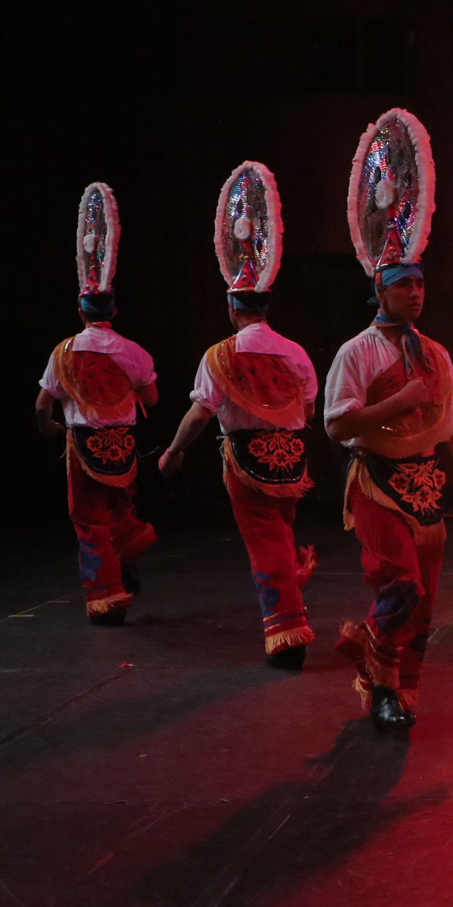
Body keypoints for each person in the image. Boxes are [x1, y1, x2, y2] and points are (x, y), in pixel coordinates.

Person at [328, 108, 453, 731]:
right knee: (402, 589)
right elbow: (338, 427)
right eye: (404, 287)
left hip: (426, 484)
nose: (416, 295)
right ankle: (380, 671)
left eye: (420, 286)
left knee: (425, 607)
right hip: (376, 483)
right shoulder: (356, 353)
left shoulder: (437, 354)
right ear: (382, 291)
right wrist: (395, 404)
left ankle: (397, 684)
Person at [158, 162, 320, 668]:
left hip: (248, 462)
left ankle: (289, 633)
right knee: (281, 535)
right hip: (292, 460)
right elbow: (309, 404)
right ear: (266, 305)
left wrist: (173, 451)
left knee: (267, 544)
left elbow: (200, 414)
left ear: (233, 308)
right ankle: (289, 609)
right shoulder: (295, 351)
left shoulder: (220, 356)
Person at [37, 182, 158, 627]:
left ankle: (108, 599)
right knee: (118, 510)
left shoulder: (63, 352)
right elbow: (152, 397)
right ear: (114, 310)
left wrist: (49, 425)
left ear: (80, 309)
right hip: (122, 443)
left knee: (89, 521)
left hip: (84, 443)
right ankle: (126, 559)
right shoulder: (132, 350)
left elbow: (42, 403)